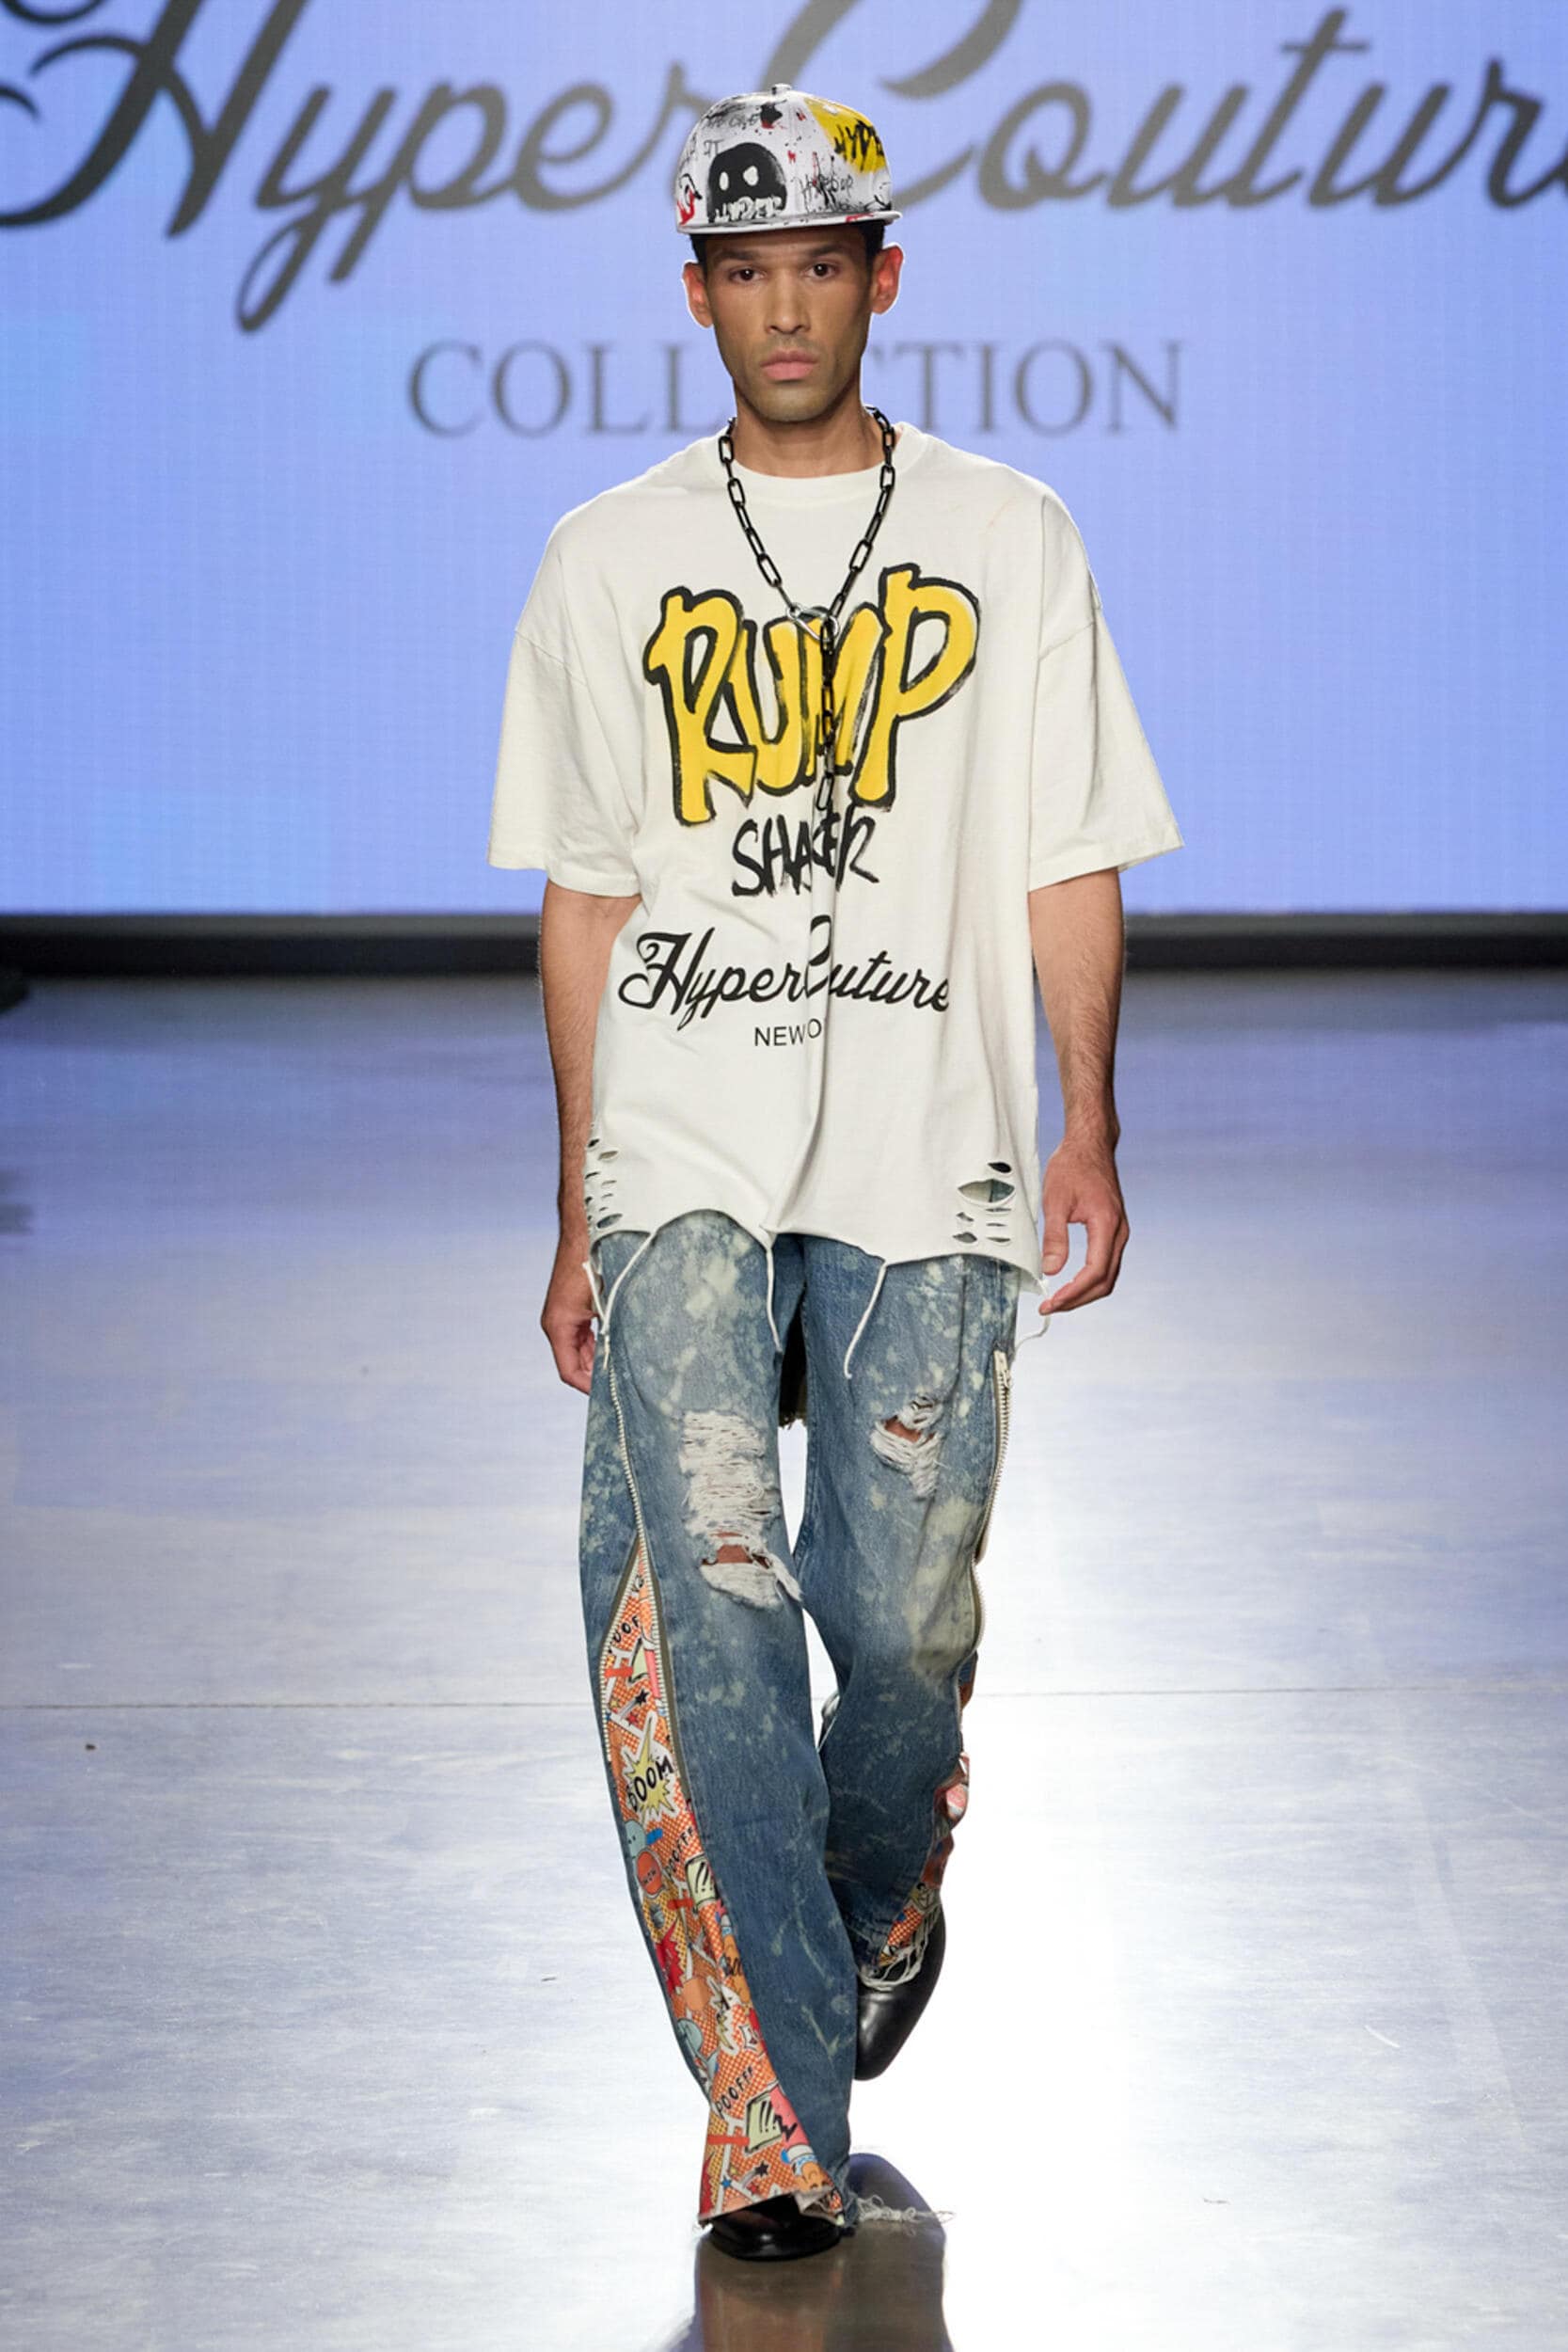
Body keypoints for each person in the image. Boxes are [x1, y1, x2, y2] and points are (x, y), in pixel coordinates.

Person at [486, 82, 1184, 2263]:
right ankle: (771, 2119)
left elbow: (1070, 845)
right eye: (746, 271)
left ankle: (877, 1896)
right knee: (709, 1608)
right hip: (681, 1138)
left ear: (883, 279)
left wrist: (1089, 1113)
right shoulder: (605, 557)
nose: (785, 310)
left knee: (901, 1634)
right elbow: (588, 896)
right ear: (695, 294)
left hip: (933, 1144)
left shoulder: (1013, 534)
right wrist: (578, 1194)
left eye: (821, 267)